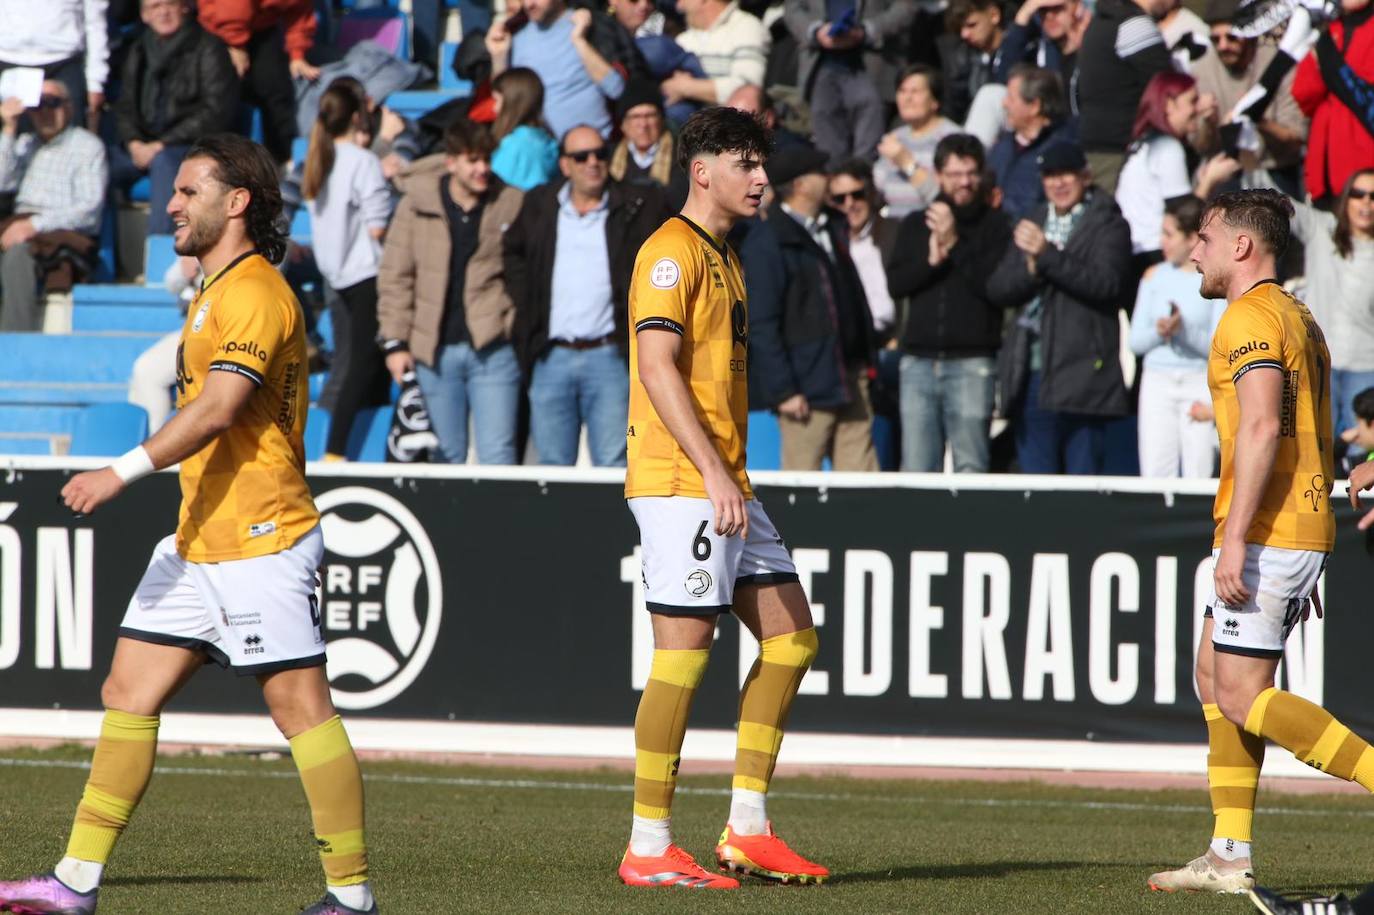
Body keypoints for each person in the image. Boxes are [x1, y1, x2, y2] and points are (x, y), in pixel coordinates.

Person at [0, 133, 376, 915]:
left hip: (262, 535)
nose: (168, 203)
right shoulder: (213, 290)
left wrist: (119, 470)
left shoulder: (255, 292)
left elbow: (219, 408)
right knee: (128, 689)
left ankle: (352, 895)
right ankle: (74, 884)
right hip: (199, 538)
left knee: (300, 707)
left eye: (187, 191)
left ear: (237, 202)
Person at [618, 106, 827, 889]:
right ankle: (647, 843)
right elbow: (656, 364)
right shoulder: (671, 253)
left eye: (762, 164)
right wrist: (710, 470)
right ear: (701, 170)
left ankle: (746, 828)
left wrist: (725, 475)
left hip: (722, 481)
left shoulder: (727, 256)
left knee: (792, 638)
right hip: (683, 482)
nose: (762, 178)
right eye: (746, 163)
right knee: (682, 656)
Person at [1144, 189, 1374, 895]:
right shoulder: (1296, 311)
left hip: (1271, 526)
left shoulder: (1248, 316)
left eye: (1206, 238)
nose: (1194, 250)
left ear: (1242, 246)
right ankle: (1228, 853)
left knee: (1243, 694)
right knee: (1214, 674)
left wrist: (1237, 539)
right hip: (1294, 522)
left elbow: (1262, 426)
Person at [506, 124, 669, 466]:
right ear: (565, 165)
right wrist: (527, 306)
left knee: (614, 463)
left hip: (610, 356)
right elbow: (512, 254)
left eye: (600, 154)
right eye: (581, 156)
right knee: (552, 467)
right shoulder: (539, 204)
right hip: (552, 356)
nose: (592, 162)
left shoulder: (636, 206)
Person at [377, 120, 525, 465]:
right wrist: (395, 342)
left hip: (494, 348)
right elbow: (396, 276)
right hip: (433, 350)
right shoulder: (416, 203)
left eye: (487, 160)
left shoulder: (511, 202)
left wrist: (510, 323)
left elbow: (525, 274)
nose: (482, 169)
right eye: (473, 161)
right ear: (451, 162)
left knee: (499, 454)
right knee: (446, 456)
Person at [988, 141, 1132, 474]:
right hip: (1031, 372)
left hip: (1084, 375)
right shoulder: (1033, 219)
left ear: (1086, 175)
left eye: (1066, 174)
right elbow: (999, 288)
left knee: (1083, 487)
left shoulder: (1109, 224)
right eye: (1050, 175)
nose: (1058, 183)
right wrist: (1032, 269)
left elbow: (1106, 284)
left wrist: (1047, 256)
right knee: (1037, 487)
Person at [740, 144, 878, 472]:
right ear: (801, 185)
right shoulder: (768, 240)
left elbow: (850, 298)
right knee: (801, 488)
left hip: (848, 377)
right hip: (804, 390)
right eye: (819, 172)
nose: (827, 177)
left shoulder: (830, 226)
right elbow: (761, 323)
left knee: (862, 489)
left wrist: (864, 362)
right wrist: (784, 390)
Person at [887, 133, 1012, 473]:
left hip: (973, 363)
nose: (965, 182)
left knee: (971, 466)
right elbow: (897, 285)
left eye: (971, 173)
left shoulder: (996, 225)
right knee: (916, 469)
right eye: (955, 174)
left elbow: (994, 288)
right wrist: (930, 262)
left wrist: (955, 244)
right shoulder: (915, 223)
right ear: (938, 175)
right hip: (918, 364)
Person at [302, 82, 392, 462]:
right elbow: (378, 227)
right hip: (366, 275)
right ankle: (337, 450)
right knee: (362, 363)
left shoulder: (317, 160)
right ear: (357, 116)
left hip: (336, 277)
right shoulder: (362, 161)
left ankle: (353, 447)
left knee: (357, 363)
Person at [110, 0, 239, 235]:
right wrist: (134, 143)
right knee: (98, 163)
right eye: (155, 7)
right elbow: (125, 106)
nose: (163, 12)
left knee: (166, 164)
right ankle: (91, 257)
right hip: (143, 146)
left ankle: (159, 253)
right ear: (144, 15)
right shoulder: (137, 51)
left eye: (169, 4)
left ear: (184, 8)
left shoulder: (209, 47)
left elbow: (216, 111)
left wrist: (161, 145)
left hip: (191, 146)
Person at [0, 79, 107, 332]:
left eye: (53, 103)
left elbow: (89, 209)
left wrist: (35, 225)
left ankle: (15, 343)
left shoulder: (87, 147)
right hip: (18, 224)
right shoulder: (25, 143)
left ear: (69, 107)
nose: (45, 111)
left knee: (17, 254)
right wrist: (9, 128)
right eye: (38, 105)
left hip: (60, 232)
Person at [1128, 195, 1224, 477]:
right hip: (1157, 382)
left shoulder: (1213, 280)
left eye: (1169, 234)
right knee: (1156, 469)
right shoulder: (1152, 276)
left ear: (1192, 238)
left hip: (1198, 382)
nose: (1162, 242)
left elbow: (1217, 346)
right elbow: (1136, 342)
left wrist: (1181, 330)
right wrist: (1161, 331)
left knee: (1199, 469)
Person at [1116, 71, 1241, 273]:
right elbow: (1184, 218)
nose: (1198, 107)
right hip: (1155, 253)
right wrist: (1209, 181)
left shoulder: (1142, 143)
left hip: (1135, 251)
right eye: (1193, 101)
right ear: (1169, 105)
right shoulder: (1167, 148)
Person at [1291, 168, 1374, 468]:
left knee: (1359, 454)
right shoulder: (1321, 228)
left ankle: (1357, 513)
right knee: (1314, 448)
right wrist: (1248, 159)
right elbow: (1277, 204)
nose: (1366, 202)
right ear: (1346, 198)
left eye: (1373, 196)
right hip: (1319, 361)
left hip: (1366, 367)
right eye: (1358, 194)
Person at [1190, 0, 1308, 197]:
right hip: (1225, 169)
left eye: (1232, 37)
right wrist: (1209, 124)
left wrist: (1256, 116)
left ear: (1250, 36)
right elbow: (1200, 147)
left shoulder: (1278, 63)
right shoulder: (1203, 68)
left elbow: (1296, 140)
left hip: (1275, 168)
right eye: (1215, 39)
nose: (1223, 46)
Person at [781, 0, 917, 167]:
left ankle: (863, 190)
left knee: (868, 156)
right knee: (829, 157)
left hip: (872, 67)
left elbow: (906, 7)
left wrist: (866, 32)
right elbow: (792, 10)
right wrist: (815, 32)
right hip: (821, 66)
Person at [197, 0, 319, 163]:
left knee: (276, 89)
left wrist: (297, 53)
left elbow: (298, 9)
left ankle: (283, 161)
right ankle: (212, 161)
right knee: (222, 94)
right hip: (220, 25)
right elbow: (232, 6)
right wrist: (235, 43)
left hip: (261, 26)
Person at [487, 0, 627, 140]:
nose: (529, 4)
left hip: (593, 150)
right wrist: (498, 58)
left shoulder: (592, 25)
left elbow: (618, 89)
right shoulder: (515, 37)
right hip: (543, 150)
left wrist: (579, 41)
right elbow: (503, 103)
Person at [1076, 0, 1173, 192]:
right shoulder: (1134, 24)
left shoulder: (1102, 22)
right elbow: (1168, 86)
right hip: (1121, 150)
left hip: (1098, 146)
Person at [1291, 0, 1374, 204]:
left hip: (1365, 174)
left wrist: (1328, 69)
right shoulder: (1326, 31)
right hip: (1324, 167)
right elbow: (1303, 94)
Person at [0, 0, 109, 127]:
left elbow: (96, 22)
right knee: (13, 135)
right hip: (10, 60)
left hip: (65, 62)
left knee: (72, 139)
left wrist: (95, 83)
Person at [873, 65, 962, 219]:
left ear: (935, 101)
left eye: (915, 92)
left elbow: (950, 198)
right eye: (902, 91)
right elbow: (877, 191)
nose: (907, 98)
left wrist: (907, 164)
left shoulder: (953, 138)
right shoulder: (894, 138)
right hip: (890, 227)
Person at [988, 64, 1075, 220]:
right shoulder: (1002, 146)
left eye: (1011, 98)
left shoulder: (1062, 150)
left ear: (1034, 106)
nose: (1004, 104)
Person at [665, 0, 771, 108]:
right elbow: (667, 87)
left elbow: (749, 88)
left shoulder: (747, 28)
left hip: (731, 123)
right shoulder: (683, 39)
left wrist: (687, 88)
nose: (679, 6)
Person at [609, 80, 689, 206]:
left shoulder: (681, 158)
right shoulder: (608, 158)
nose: (644, 124)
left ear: (661, 120)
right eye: (635, 117)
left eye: (650, 115)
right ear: (623, 125)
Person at [997, 0, 1090, 108]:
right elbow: (1002, 83)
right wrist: (1024, 15)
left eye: (1057, 8)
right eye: (1043, 10)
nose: (1049, 16)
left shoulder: (1095, 48)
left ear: (1077, 8)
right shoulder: (1037, 53)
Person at [938, 0, 1008, 125]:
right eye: (960, 28)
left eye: (972, 25)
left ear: (994, 15)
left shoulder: (1020, 50)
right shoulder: (961, 57)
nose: (964, 34)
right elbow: (953, 108)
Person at [489, 67, 560, 191]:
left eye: (497, 101)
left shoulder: (514, 146)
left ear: (512, 103)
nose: (494, 108)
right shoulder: (548, 140)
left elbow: (494, 186)